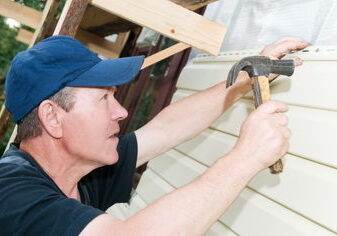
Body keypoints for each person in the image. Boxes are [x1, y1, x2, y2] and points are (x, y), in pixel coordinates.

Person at [0, 35, 308, 235]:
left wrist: (242, 80)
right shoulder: (11, 194)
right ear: (52, 117)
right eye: (104, 98)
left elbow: (165, 129)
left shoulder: (80, 171)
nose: (120, 111)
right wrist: (247, 157)